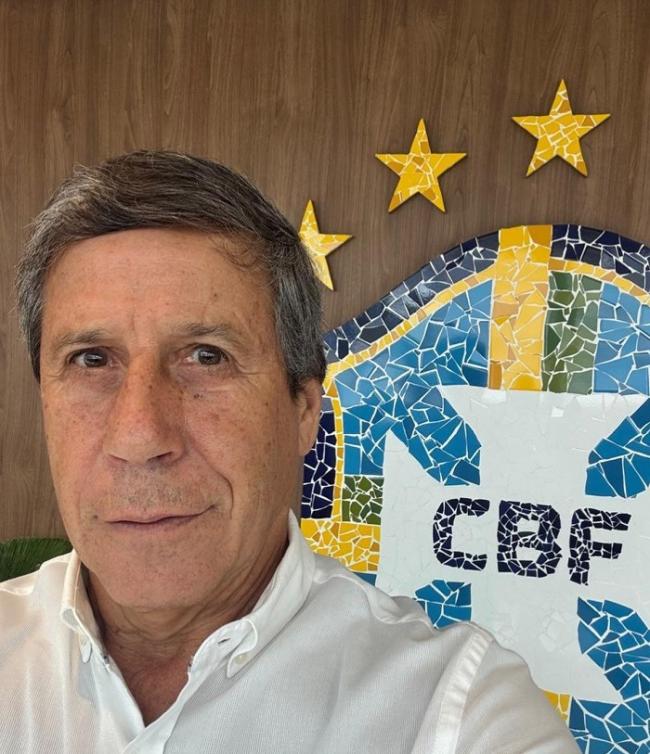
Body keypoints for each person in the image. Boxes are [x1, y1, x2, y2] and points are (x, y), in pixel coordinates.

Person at [0, 151, 579, 753]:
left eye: (207, 356)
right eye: (91, 360)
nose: (139, 437)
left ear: (304, 412)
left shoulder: (459, 713)